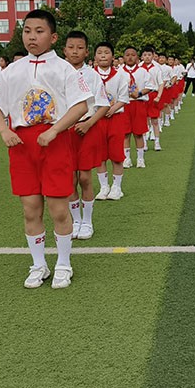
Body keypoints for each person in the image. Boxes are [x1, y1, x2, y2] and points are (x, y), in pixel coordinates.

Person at [0, 9, 94, 290]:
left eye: (39, 31)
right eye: (27, 31)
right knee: (30, 208)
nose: (32, 37)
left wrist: (55, 129)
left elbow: (81, 105)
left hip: (54, 142)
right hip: (22, 145)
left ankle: (63, 263)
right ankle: (38, 264)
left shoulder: (64, 69)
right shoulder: (12, 70)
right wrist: (4, 129)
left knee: (59, 208)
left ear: (53, 36)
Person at [64, 31, 108, 240]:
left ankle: (88, 221)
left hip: (87, 129)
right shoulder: (58, 72)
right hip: (65, 132)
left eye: (80, 47)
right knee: (70, 179)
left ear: (87, 51)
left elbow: (102, 105)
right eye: (71, 47)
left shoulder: (92, 75)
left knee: (84, 177)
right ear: (64, 50)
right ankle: (76, 220)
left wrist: (89, 123)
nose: (75, 51)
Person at [93, 41, 130, 201]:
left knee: (116, 154)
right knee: (99, 155)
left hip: (115, 117)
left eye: (106, 52)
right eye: (99, 52)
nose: (103, 55)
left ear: (113, 56)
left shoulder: (121, 75)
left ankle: (117, 187)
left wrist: (111, 109)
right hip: (96, 120)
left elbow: (123, 98)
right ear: (94, 56)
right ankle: (103, 186)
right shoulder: (89, 74)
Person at [122, 46, 154, 168]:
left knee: (139, 133)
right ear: (124, 57)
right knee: (125, 133)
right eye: (127, 55)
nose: (130, 57)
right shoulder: (119, 72)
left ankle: (140, 158)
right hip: (125, 104)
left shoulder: (143, 72)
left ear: (137, 57)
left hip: (139, 103)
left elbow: (150, 86)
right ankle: (127, 158)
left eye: (133, 55)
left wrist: (139, 93)